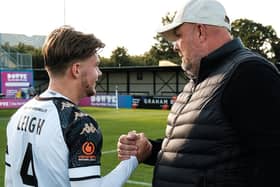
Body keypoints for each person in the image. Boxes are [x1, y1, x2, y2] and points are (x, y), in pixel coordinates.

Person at [117, 0, 280, 186]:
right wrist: (151, 149)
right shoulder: (198, 81)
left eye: (178, 36)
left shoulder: (249, 73)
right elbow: (199, 151)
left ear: (201, 31)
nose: (174, 46)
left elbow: (273, 160)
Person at [5, 26, 138, 187]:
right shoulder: (80, 124)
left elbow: (10, 180)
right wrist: (133, 159)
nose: (99, 73)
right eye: (96, 65)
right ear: (76, 69)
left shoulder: (18, 116)